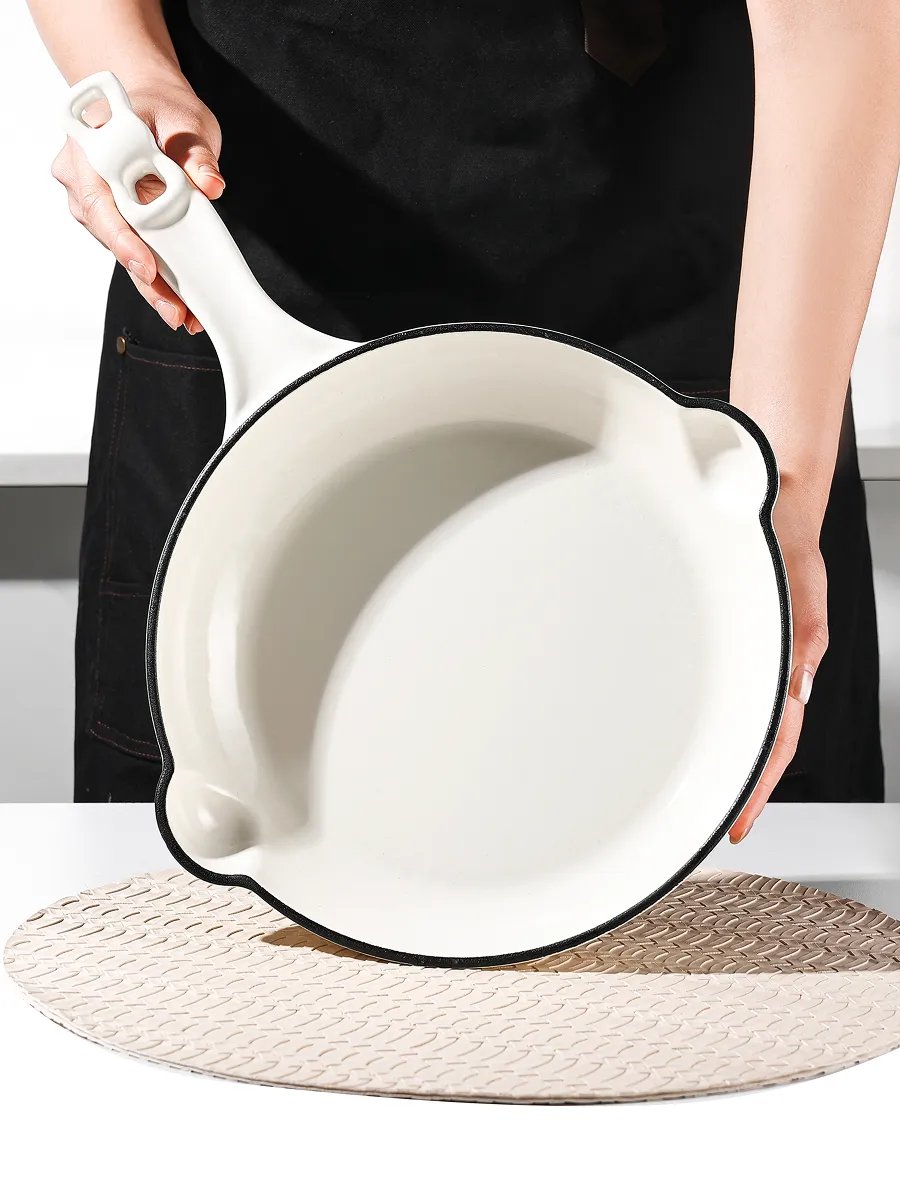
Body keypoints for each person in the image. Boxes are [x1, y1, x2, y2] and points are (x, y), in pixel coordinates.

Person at [28, 0, 898, 837]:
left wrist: (778, 487)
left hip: (700, 357)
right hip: (241, 312)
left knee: (750, 911)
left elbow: (831, 21)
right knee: (204, 902)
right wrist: (131, 72)